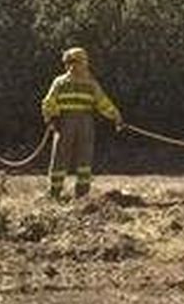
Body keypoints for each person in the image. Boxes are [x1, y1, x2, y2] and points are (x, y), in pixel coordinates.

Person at [40, 47, 122, 199]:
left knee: (62, 157)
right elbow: (103, 102)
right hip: (81, 123)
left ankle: (57, 193)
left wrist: (51, 118)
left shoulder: (60, 82)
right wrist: (116, 116)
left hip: (67, 123)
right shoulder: (89, 83)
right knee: (81, 157)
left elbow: (48, 103)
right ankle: (79, 195)